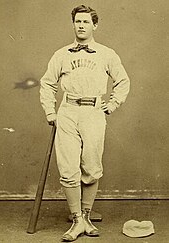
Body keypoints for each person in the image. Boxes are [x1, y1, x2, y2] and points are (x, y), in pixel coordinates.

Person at [40, 4, 130, 242]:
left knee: (91, 167)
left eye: (86, 22)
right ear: (73, 25)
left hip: (93, 112)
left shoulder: (106, 53)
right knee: (69, 169)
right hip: (68, 111)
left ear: (95, 25)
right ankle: (77, 219)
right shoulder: (61, 54)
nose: (81, 26)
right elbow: (48, 83)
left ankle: (87, 215)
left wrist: (111, 105)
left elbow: (122, 81)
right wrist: (51, 112)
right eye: (77, 22)